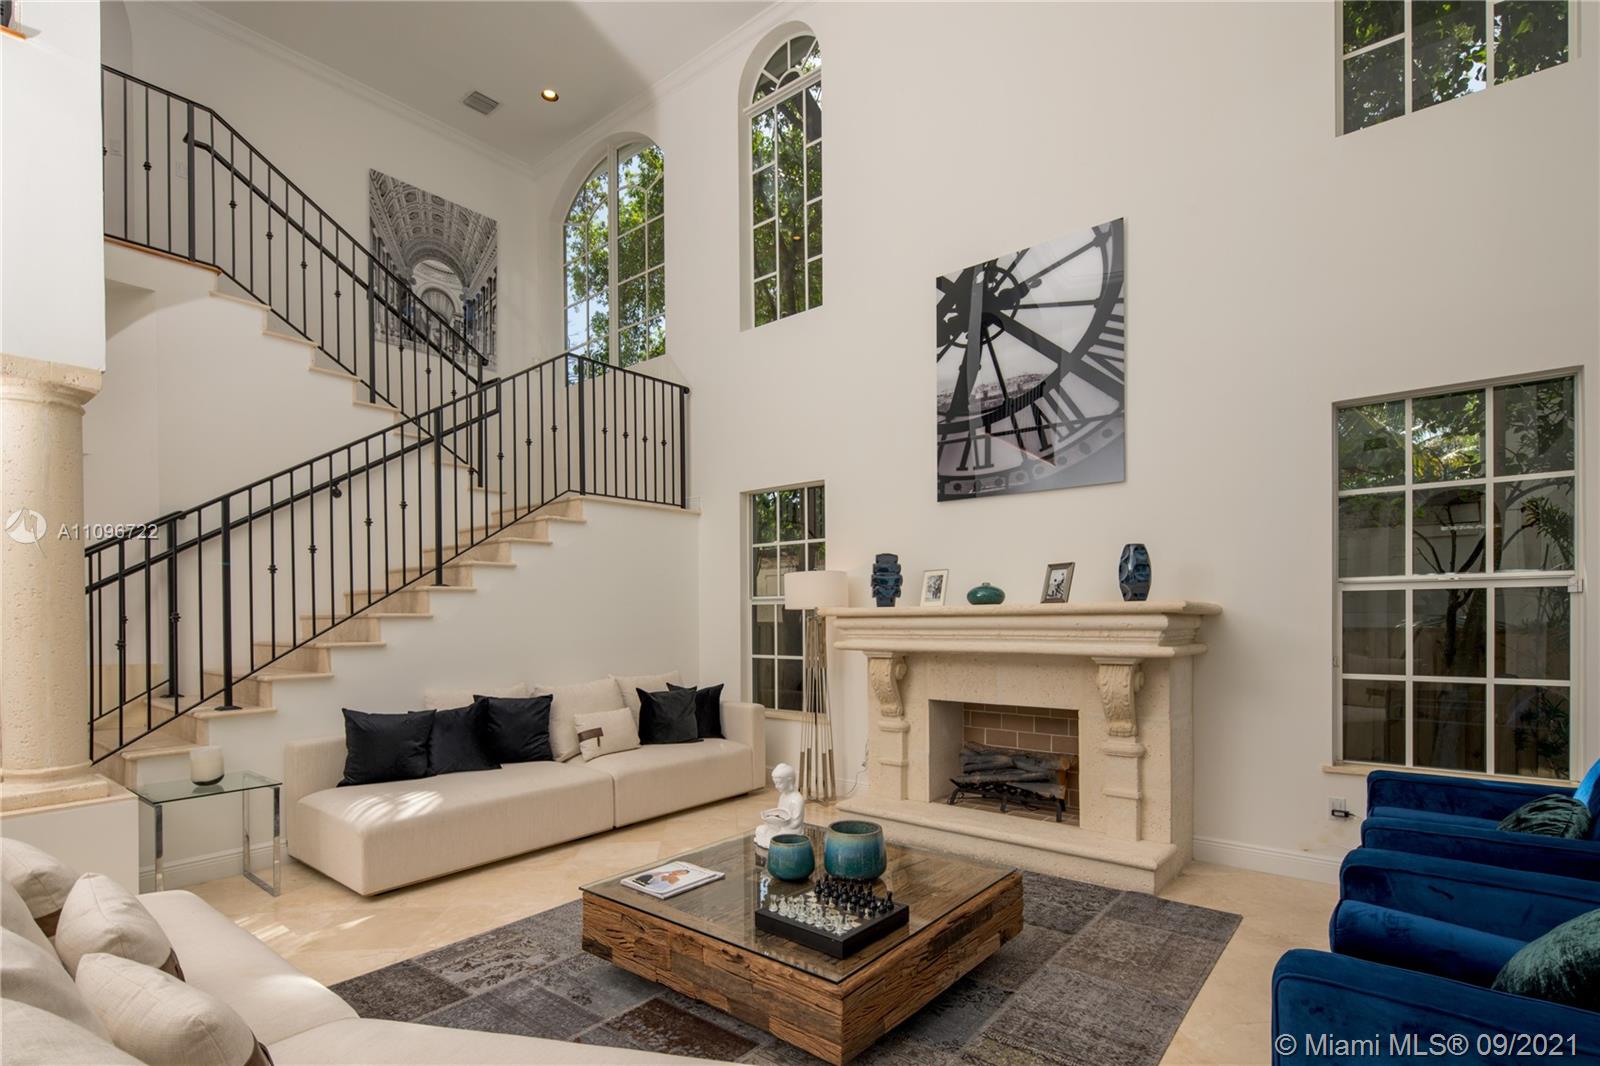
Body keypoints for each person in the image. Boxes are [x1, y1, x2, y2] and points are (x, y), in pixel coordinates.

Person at [756, 762, 805, 848]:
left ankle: (769, 842)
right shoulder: (783, 796)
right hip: (780, 827)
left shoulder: (797, 799)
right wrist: (771, 821)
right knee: (760, 829)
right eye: (775, 783)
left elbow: (795, 824)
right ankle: (766, 840)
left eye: (779, 783)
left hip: (791, 831)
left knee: (774, 838)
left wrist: (783, 824)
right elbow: (780, 814)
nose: (776, 786)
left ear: (789, 781)